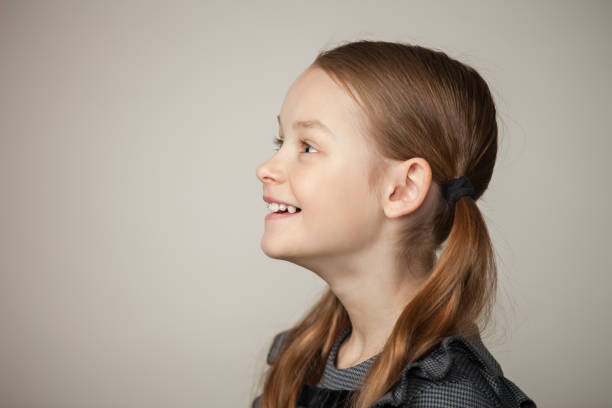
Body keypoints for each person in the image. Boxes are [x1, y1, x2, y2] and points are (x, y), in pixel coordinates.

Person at [252, 40, 536, 408]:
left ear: (402, 189)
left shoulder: (445, 396)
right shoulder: (306, 356)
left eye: (307, 147)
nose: (266, 168)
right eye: (280, 141)